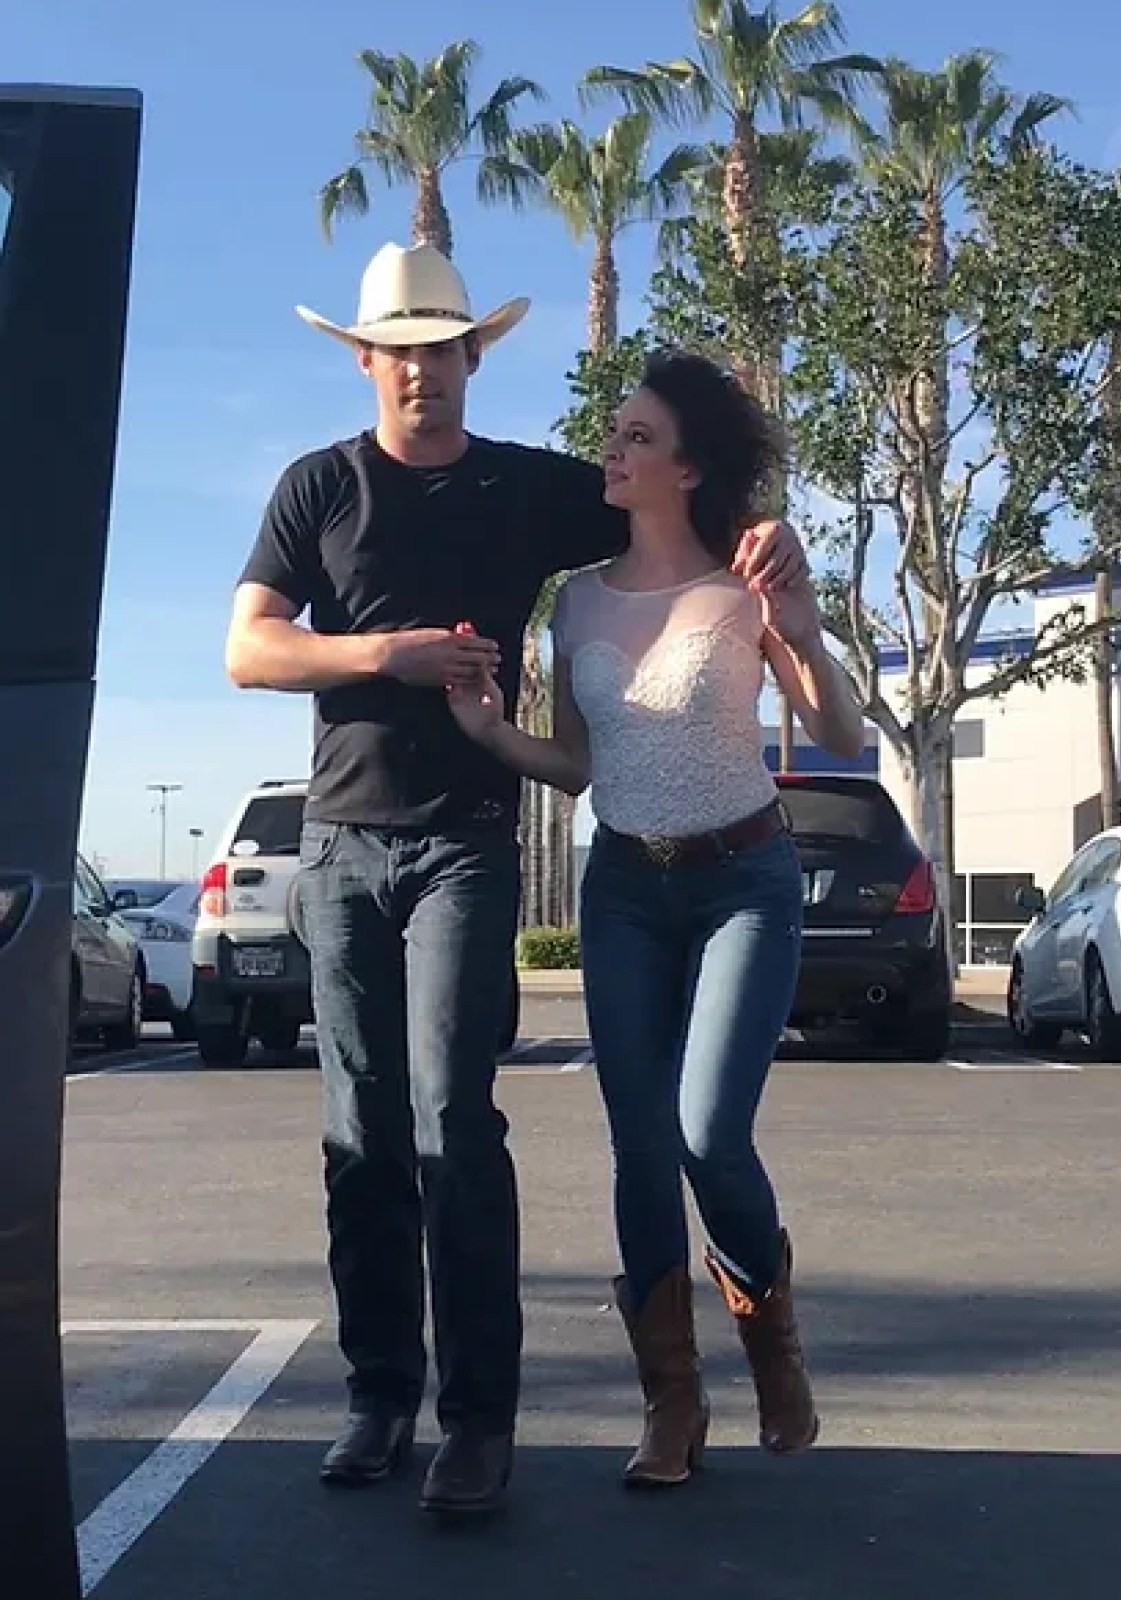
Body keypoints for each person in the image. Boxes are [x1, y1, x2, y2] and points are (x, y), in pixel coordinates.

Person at [225, 244, 810, 1518]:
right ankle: (380, 1391)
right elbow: (248, 648)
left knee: (453, 1124)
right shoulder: (315, 486)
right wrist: (391, 651)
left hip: (469, 846)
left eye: (445, 347)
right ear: (366, 360)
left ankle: (477, 1420)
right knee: (359, 1133)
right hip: (339, 842)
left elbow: (676, 504)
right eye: (402, 348)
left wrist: (769, 547)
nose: (424, 369)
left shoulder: (535, 488)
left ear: (471, 358)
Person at [449, 348, 864, 1489]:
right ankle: (671, 1407)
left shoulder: (743, 587)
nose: (613, 451)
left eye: (636, 436)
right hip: (624, 885)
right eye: (615, 434)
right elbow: (580, 767)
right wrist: (490, 730)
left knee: (706, 1133)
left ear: (688, 467)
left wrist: (803, 619)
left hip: (744, 881)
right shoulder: (575, 600)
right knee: (639, 1149)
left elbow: (834, 731)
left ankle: (770, 1343)